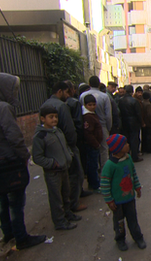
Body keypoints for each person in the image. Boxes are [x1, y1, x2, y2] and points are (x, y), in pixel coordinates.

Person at [0, 72, 46, 249]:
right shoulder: (3, 108)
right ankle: (21, 237)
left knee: (3, 201)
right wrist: (24, 155)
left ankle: (8, 234)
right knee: (15, 202)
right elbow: (14, 137)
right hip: (9, 161)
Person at [32, 106, 81, 230]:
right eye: (51, 117)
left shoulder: (57, 131)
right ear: (43, 119)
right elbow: (37, 157)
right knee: (56, 197)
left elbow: (65, 146)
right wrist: (53, 164)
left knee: (65, 193)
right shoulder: (40, 136)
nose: (54, 119)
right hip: (53, 172)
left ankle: (67, 214)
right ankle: (59, 221)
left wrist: (69, 155)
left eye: (56, 117)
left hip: (64, 168)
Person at [43, 81, 86, 212]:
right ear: (60, 91)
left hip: (52, 147)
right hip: (66, 145)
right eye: (67, 92)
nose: (69, 95)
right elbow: (69, 129)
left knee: (63, 179)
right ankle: (73, 203)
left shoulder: (45, 105)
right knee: (75, 173)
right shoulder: (62, 106)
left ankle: (67, 205)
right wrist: (73, 143)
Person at [100, 134, 146, 251]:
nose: (128, 145)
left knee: (133, 219)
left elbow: (133, 174)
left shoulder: (128, 159)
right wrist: (109, 200)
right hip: (117, 202)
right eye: (125, 144)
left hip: (129, 198)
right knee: (119, 222)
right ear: (117, 148)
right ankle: (120, 239)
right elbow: (104, 184)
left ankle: (138, 237)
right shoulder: (110, 165)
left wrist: (137, 187)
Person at [80, 76, 112, 174]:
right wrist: (108, 128)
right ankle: (104, 171)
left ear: (89, 84)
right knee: (104, 150)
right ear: (99, 84)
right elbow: (108, 115)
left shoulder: (82, 95)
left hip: (87, 126)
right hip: (102, 126)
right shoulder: (104, 96)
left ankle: (93, 172)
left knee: (91, 150)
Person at [82, 95, 104, 192]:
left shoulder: (92, 114)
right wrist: (96, 144)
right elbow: (88, 133)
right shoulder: (88, 117)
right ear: (85, 105)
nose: (92, 107)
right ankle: (95, 184)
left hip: (95, 143)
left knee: (94, 164)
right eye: (89, 105)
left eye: (94, 104)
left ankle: (94, 182)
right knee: (93, 165)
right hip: (92, 145)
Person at [119, 85, 143, 162]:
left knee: (127, 139)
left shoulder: (121, 100)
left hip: (124, 121)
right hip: (133, 122)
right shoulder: (134, 101)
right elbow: (138, 113)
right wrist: (141, 122)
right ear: (132, 91)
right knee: (134, 140)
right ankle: (134, 156)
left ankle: (127, 155)